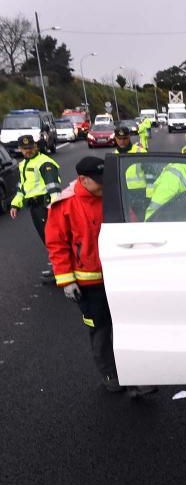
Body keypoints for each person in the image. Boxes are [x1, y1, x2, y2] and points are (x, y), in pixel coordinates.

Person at [45, 156, 157, 397]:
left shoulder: (111, 197)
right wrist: (66, 280)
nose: (103, 186)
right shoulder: (65, 205)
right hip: (89, 283)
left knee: (129, 327)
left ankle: (137, 376)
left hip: (119, 276)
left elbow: (132, 227)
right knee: (101, 330)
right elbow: (57, 245)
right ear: (83, 180)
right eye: (98, 182)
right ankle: (111, 374)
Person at [9, 134, 62, 281]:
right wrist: (15, 204)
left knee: (53, 240)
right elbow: (22, 188)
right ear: (20, 149)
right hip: (35, 207)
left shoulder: (45, 162)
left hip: (45, 206)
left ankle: (61, 271)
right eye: (25, 148)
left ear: (36, 146)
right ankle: (57, 267)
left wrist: (54, 209)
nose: (28, 151)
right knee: (47, 239)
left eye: (30, 147)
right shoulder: (23, 165)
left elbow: (54, 189)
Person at [113, 125, 156, 218]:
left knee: (142, 219)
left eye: (125, 138)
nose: (122, 141)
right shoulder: (114, 155)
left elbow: (151, 175)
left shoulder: (140, 152)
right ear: (115, 138)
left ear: (129, 137)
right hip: (123, 193)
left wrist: (149, 196)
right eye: (119, 139)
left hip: (140, 193)